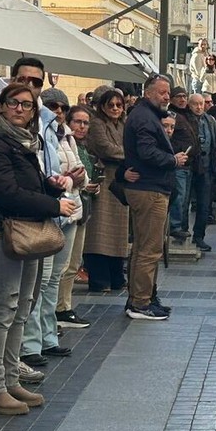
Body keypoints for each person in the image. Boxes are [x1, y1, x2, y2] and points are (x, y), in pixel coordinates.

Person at [0, 82, 77, 414]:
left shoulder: (23, 141)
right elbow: (6, 193)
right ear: (1, 106)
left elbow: (24, 185)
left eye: (27, 105)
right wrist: (53, 205)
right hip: (3, 233)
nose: (20, 109)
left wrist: (50, 185)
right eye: (13, 103)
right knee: (3, 311)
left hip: (26, 231)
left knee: (21, 309)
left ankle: (10, 379)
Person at [21, 89, 86, 366]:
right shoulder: (36, 133)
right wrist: (64, 180)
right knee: (41, 281)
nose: (58, 110)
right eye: (52, 105)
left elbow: (79, 172)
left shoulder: (66, 135)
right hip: (48, 211)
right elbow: (44, 174)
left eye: (62, 107)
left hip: (69, 211)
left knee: (53, 279)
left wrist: (73, 180)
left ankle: (48, 337)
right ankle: (32, 343)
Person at [123, 75, 188, 320]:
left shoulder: (146, 115)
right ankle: (141, 302)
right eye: (162, 92)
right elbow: (147, 151)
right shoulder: (144, 117)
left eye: (168, 92)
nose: (166, 97)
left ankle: (141, 296)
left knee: (143, 247)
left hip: (149, 187)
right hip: (149, 189)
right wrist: (173, 160)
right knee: (149, 249)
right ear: (148, 92)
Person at [83, 88, 133, 292]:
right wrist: (131, 154)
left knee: (118, 233)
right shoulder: (97, 124)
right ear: (102, 106)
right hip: (103, 180)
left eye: (118, 105)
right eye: (110, 105)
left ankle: (116, 276)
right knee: (99, 232)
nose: (115, 108)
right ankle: (99, 278)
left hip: (120, 181)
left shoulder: (123, 123)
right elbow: (105, 148)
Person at [55, 105, 100, 329]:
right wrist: (80, 182)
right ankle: (59, 308)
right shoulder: (61, 142)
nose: (81, 126)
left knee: (73, 263)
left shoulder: (79, 145)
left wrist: (89, 184)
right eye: (77, 122)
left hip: (82, 207)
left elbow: (83, 174)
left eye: (85, 123)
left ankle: (65, 306)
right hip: (66, 206)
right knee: (62, 265)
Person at [186, 94, 216, 252]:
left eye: (201, 104)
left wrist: (215, 164)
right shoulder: (185, 119)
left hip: (206, 168)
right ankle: (183, 234)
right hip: (189, 166)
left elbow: (215, 144)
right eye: (195, 104)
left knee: (204, 205)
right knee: (183, 202)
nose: (199, 107)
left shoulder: (210, 121)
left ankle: (199, 236)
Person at [166, 87, 194, 242]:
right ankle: (175, 226)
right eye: (179, 96)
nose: (182, 99)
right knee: (179, 196)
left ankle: (181, 226)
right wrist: (177, 153)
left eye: (184, 96)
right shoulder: (171, 115)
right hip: (177, 163)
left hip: (188, 163)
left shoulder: (186, 115)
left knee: (184, 199)